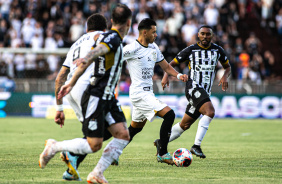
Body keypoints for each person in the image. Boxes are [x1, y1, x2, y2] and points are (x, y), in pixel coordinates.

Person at [39, 4, 132, 184]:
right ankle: (57, 147)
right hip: (93, 91)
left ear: (113, 21)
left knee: (121, 133)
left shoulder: (81, 41)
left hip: (95, 93)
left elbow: (61, 77)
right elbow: (99, 51)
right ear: (129, 22)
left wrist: (66, 90)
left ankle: (95, 173)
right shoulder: (111, 37)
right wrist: (88, 58)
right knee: (93, 142)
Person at [53, 13, 110, 181]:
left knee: (92, 133)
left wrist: (59, 108)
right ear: (104, 28)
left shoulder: (75, 44)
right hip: (87, 87)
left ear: (86, 28)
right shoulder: (103, 37)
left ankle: (71, 169)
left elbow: (59, 78)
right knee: (109, 128)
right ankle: (67, 151)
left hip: (71, 91)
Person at [123, 18, 188, 165]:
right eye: (153, 32)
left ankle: (112, 152)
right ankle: (163, 153)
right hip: (139, 94)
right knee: (169, 114)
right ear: (144, 32)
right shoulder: (131, 48)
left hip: (148, 93)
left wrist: (178, 75)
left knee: (135, 129)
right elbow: (114, 60)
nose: (156, 35)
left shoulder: (154, 47)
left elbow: (165, 67)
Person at [161, 25, 231, 159]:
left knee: (185, 124)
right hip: (193, 87)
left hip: (205, 91)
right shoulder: (191, 50)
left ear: (212, 35)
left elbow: (227, 67)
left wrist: (224, 76)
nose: (205, 37)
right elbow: (170, 64)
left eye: (208, 34)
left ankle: (161, 143)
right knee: (210, 112)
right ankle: (196, 146)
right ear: (198, 35)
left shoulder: (218, 50)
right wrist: (166, 76)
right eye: (203, 34)